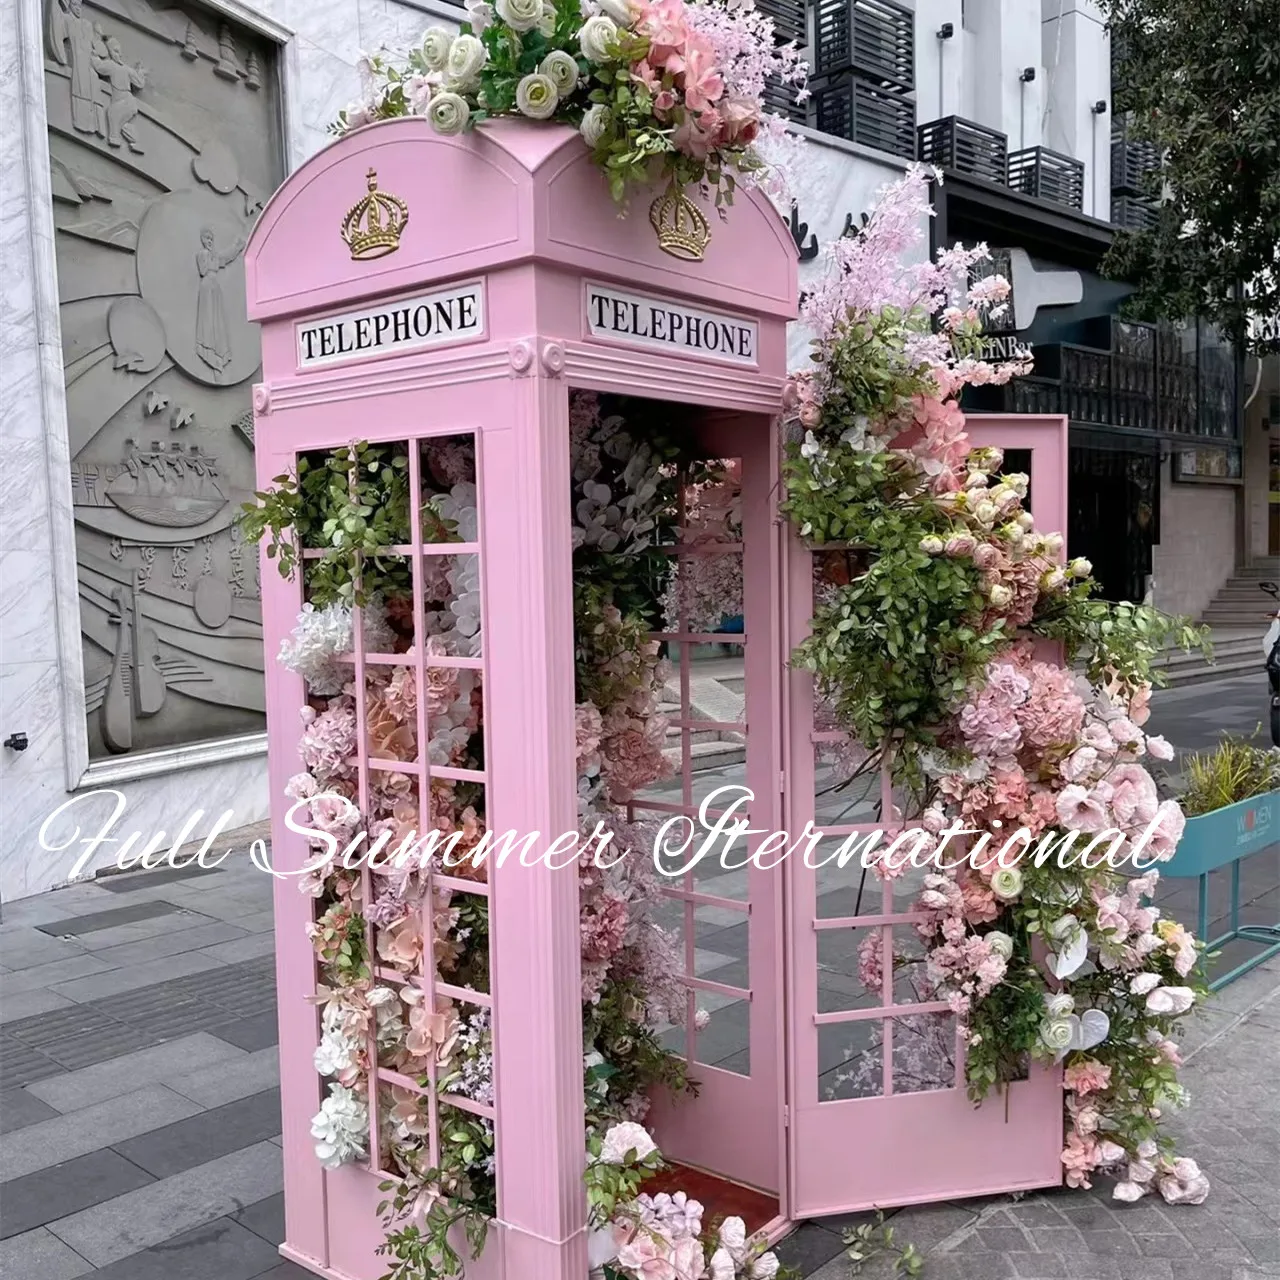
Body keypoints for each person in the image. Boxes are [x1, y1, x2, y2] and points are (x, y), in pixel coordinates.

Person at [48, 0, 107, 136]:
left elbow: (95, 45)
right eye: (75, 6)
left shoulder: (86, 24)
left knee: (94, 86)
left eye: (80, 6)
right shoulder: (68, 20)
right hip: (78, 61)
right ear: (70, 6)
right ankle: (82, 123)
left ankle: (97, 126)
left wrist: (97, 40)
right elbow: (58, 26)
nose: (78, 9)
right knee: (80, 89)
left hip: (89, 61)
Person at [195, 228, 245, 378]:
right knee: (208, 319)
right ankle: (208, 349)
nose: (209, 242)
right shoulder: (202, 254)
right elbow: (203, 270)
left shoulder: (215, 255)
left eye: (211, 239)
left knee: (218, 321)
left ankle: (219, 356)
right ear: (203, 240)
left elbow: (227, 257)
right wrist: (210, 257)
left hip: (215, 287)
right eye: (207, 239)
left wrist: (237, 247)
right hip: (207, 286)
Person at [92, 36, 147, 153]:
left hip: (126, 101)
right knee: (122, 124)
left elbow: (139, 83)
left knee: (113, 115)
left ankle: (114, 140)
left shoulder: (120, 67)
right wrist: (95, 56)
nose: (119, 55)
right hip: (126, 103)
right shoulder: (113, 65)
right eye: (115, 51)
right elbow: (99, 67)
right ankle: (135, 142)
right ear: (109, 52)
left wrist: (140, 72)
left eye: (119, 52)